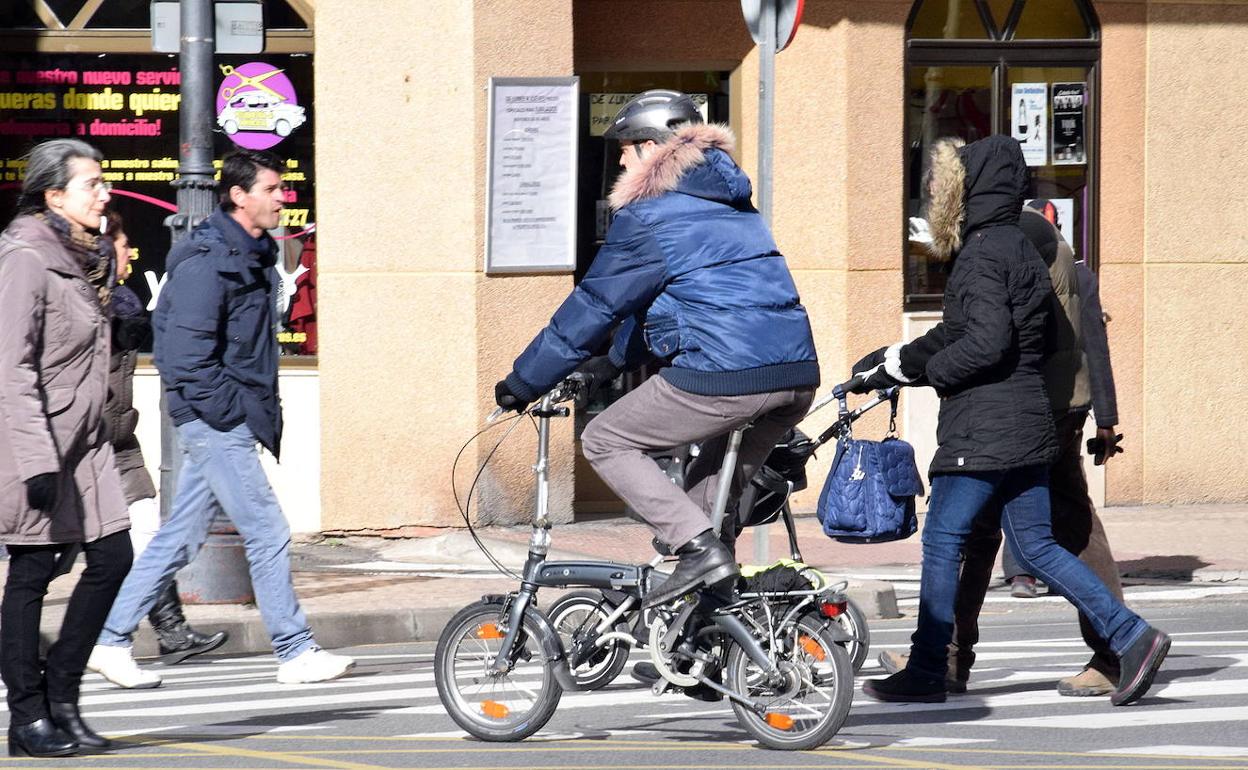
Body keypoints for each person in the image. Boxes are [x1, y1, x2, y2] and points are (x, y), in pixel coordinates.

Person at [849, 135, 1168, 707]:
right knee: (1040, 547)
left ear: (968, 191)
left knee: (945, 542)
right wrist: (896, 362)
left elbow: (985, 343)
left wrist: (935, 374)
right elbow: (978, 329)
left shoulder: (981, 253)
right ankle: (1131, 636)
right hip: (1027, 419)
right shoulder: (1020, 246)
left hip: (984, 424)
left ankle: (928, 668)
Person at [494, 90, 820, 610]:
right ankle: (711, 631)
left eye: (625, 147)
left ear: (651, 148)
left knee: (605, 438)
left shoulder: (650, 215)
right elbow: (673, 304)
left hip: (726, 374)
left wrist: (524, 382)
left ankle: (700, 554)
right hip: (794, 376)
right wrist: (609, 364)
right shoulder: (732, 206)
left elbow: (595, 306)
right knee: (705, 505)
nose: (620, 159)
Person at [87, 149, 354, 687]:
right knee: (268, 529)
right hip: (216, 421)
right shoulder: (210, 258)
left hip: (226, 417)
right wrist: (229, 414)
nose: (283, 198)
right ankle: (295, 648)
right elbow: (182, 356)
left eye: (282, 189)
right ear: (239, 195)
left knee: (178, 538)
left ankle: (111, 641)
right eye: (272, 190)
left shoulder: (252, 254)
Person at [877, 203, 1132, 698]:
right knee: (980, 531)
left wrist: (940, 371)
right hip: (1046, 406)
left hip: (1039, 409)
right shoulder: (1048, 245)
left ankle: (1118, 649)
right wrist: (1104, 416)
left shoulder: (1017, 235)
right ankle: (946, 654)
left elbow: (996, 334)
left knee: (1060, 531)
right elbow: (1086, 340)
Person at [0, 139, 133, 756]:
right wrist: (34, 461)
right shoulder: (26, 256)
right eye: (92, 184)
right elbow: (11, 367)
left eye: (103, 182)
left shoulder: (91, 255)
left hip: (87, 442)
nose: (104, 193)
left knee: (113, 559)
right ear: (54, 195)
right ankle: (26, 717)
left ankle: (63, 699)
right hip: (39, 442)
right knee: (31, 572)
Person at [100, 210, 229, 676]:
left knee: (147, 533)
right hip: (82, 444)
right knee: (51, 558)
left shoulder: (124, 305)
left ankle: (171, 630)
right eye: (121, 242)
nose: (130, 251)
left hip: (120, 442)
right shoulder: (86, 304)